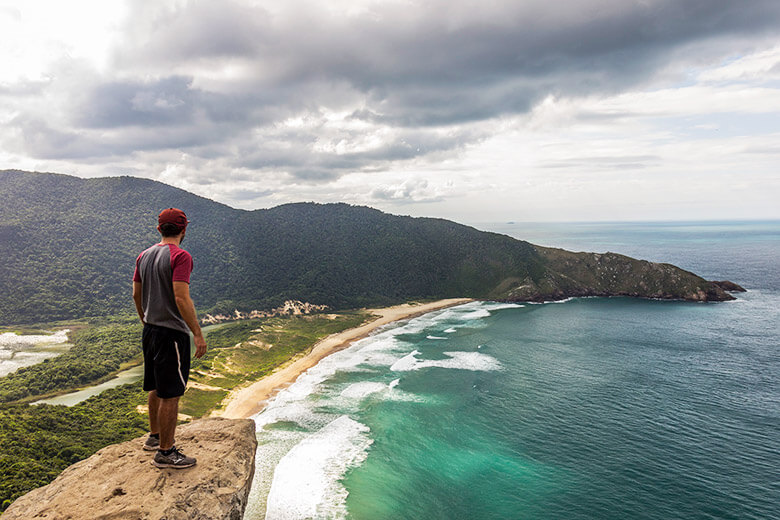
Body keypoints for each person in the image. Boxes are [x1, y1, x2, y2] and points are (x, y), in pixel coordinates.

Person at [132, 208, 207, 469]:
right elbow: (180, 297)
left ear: (159, 229)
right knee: (171, 393)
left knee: (155, 385)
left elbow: (135, 294)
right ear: (184, 230)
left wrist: (145, 318)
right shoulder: (181, 256)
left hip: (150, 329)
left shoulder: (144, 255)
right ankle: (166, 452)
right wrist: (197, 333)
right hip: (171, 333)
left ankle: (154, 437)